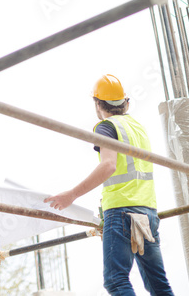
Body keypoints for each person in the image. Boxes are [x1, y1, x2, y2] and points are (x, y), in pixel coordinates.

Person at [44, 74, 174, 295]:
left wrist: (72, 195)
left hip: (122, 212)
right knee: (158, 285)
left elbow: (108, 166)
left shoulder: (106, 127)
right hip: (148, 212)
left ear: (97, 104)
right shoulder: (137, 127)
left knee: (115, 281)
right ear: (126, 102)